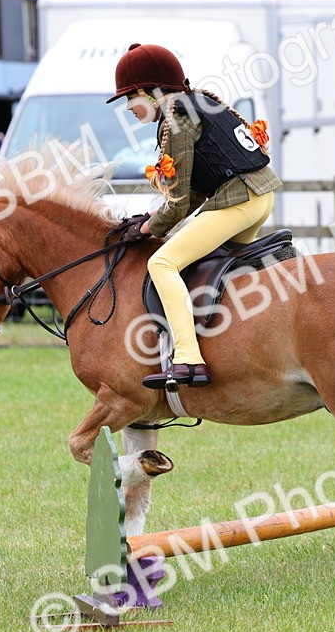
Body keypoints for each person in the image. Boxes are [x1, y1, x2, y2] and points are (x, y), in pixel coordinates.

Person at [109, 43, 282, 389]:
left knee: (162, 264)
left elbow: (177, 203)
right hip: (260, 196)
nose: (128, 107)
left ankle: (188, 357)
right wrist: (152, 220)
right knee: (212, 265)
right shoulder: (203, 101)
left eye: (131, 98)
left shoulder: (175, 120)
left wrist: (147, 228)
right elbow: (196, 191)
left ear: (150, 92)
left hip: (239, 201)